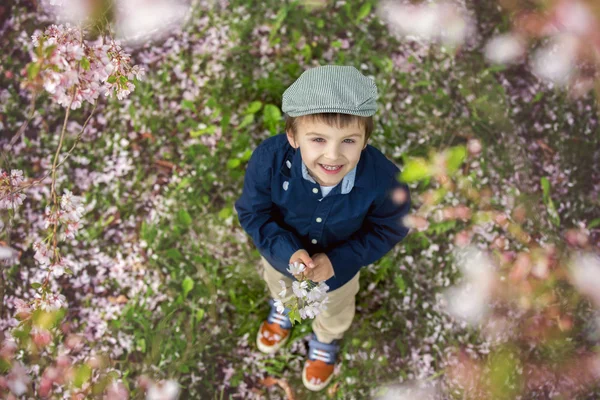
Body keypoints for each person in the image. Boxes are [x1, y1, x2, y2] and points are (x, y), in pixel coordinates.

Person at [234, 65, 411, 392]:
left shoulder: (383, 180)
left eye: (348, 141)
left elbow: (390, 226)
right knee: (281, 288)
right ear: (293, 137)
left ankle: (326, 339)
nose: (333, 155)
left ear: (365, 140)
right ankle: (286, 311)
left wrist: (340, 260)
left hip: (339, 273)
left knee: (335, 308)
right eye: (318, 139)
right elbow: (253, 213)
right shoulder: (269, 161)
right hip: (281, 259)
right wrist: (288, 253)